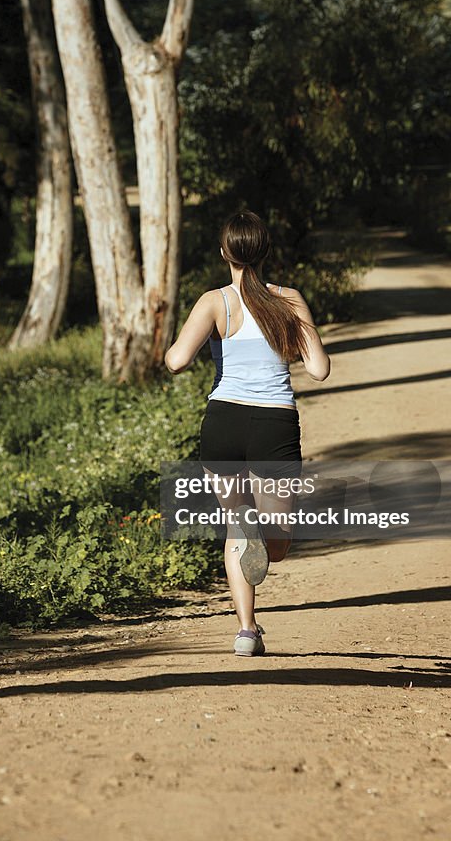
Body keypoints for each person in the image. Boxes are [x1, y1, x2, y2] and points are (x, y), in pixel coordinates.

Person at [164, 211, 330, 656]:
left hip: (224, 421)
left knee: (237, 528)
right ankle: (258, 547)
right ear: (265, 252)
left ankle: (246, 631)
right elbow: (319, 369)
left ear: (225, 253)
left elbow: (177, 361)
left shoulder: (214, 301)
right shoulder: (289, 300)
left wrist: (170, 351)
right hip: (274, 423)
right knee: (276, 545)